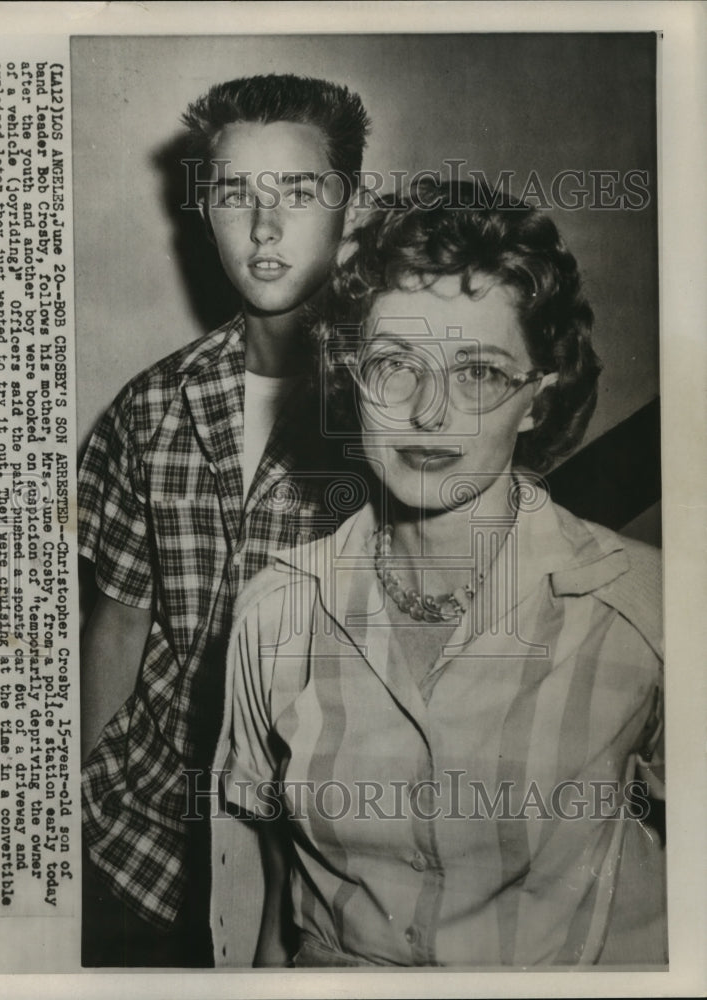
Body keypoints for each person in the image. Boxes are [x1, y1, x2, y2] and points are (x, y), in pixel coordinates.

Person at [212, 181, 665, 967]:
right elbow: (260, 877)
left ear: (535, 401)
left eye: (481, 373)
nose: (429, 413)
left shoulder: (650, 612)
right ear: (351, 378)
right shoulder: (275, 613)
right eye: (395, 365)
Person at [78, 73, 371, 967]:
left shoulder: (397, 411)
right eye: (236, 193)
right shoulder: (152, 407)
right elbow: (120, 627)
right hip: (144, 839)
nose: (266, 226)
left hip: (323, 847)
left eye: (299, 191)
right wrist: (72, 798)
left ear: (351, 207)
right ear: (203, 212)